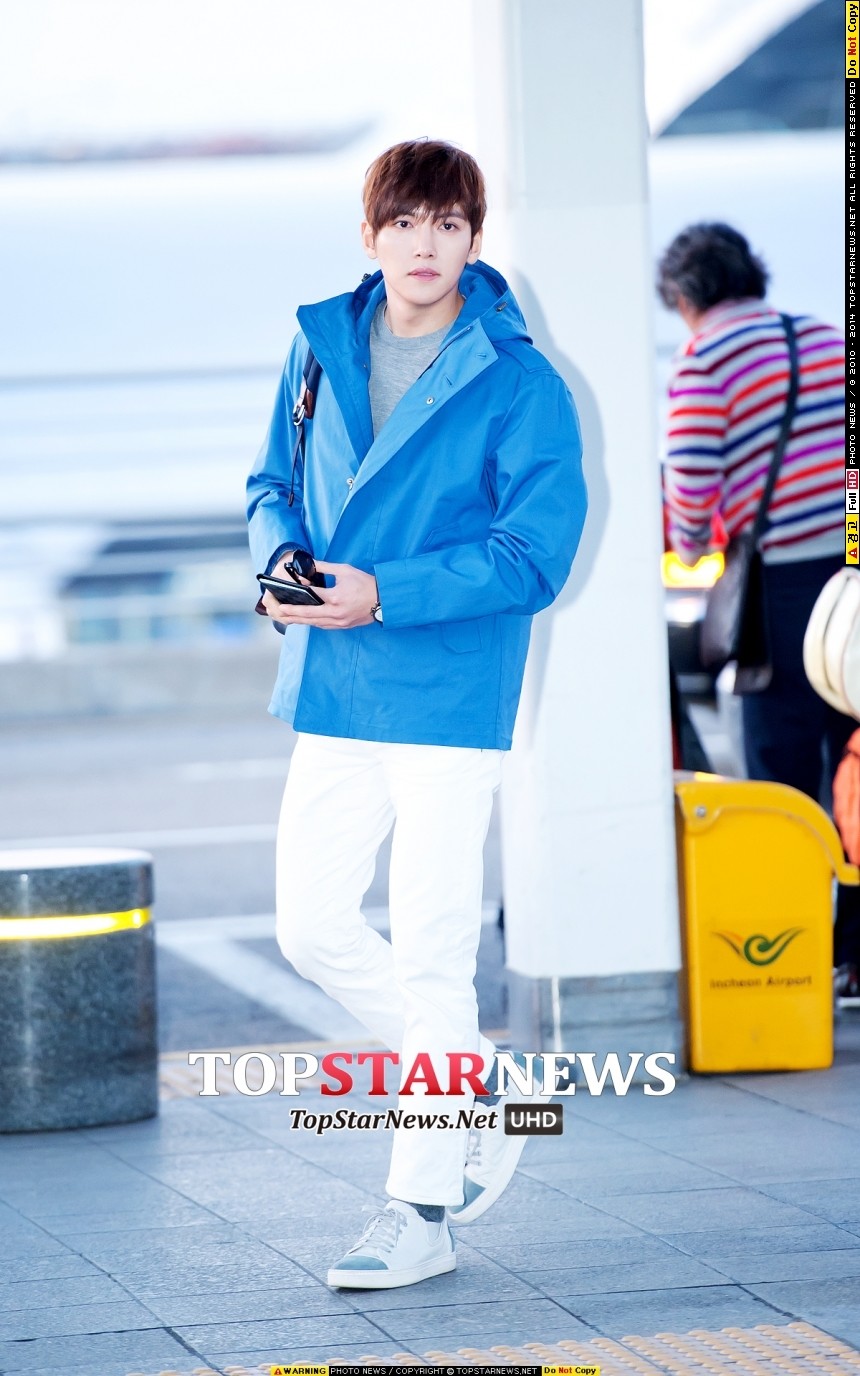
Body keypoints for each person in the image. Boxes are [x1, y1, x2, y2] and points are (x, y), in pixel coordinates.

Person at [247, 139, 586, 1290]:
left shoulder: (519, 380)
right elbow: (270, 484)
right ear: (370, 234)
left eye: (447, 223)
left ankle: (420, 1208)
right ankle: (482, 1079)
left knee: (434, 954)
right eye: (404, 222)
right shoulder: (317, 345)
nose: (424, 244)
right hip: (334, 679)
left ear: (473, 238)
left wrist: (383, 591)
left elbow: (531, 555)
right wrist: (282, 562)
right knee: (310, 926)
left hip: (446, 688)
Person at [657, 221, 856, 986]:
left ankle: (795, 949)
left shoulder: (705, 361)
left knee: (778, 777)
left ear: (684, 299)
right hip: (852, 582)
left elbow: (689, 494)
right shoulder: (825, 337)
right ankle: (855, 952)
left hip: (780, 595)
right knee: (853, 763)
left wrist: (689, 546)